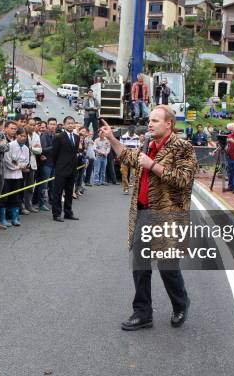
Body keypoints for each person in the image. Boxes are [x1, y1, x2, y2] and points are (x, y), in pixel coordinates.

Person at [99, 105, 197, 331]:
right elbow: (129, 157)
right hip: (143, 213)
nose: (149, 124)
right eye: (149, 120)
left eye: (155, 120)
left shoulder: (183, 147)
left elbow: (184, 179)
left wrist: (153, 165)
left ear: (168, 124)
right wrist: (113, 139)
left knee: (167, 266)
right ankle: (142, 312)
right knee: (140, 264)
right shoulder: (149, 144)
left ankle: (180, 304)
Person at [51, 116, 80, 222]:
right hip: (61, 169)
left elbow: (75, 153)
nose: (70, 125)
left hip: (72, 169)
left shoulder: (77, 137)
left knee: (69, 193)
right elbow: (54, 154)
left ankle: (68, 213)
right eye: (68, 123)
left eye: (72, 123)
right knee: (58, 193)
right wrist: (58, 166)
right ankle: (56, 214)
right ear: (64, 125)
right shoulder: (59, 137)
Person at [1, 128, 30, 227]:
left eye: (24, 136)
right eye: (21, 135)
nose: (23, 138)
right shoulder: (10, 145)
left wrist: (18, 164)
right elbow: (7, 161)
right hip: (7, 175)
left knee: (16, 197)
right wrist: (18, 166)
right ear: (16, 135)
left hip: (18, 176)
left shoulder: (26, 148)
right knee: (4, 197)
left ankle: (15, 218)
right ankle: (2, 219)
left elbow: (26, 162)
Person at [23, 117, 42, 213]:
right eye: (30, 125)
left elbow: (39, 150)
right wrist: (33, 148)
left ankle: (28, 205)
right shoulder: (22, 134)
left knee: (30, 186)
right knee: (21, 186)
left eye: (34, 125)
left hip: (33, 163)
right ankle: (21, 206)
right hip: (22, 164)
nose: (32, 127)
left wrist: (31, 148)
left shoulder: (36, 135)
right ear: (26, 124)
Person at [39, 118, 57, 212]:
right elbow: (43, 149)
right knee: (44, 185)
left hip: (54, 163)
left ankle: (52, 200)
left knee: (53, 184)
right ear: (48, 125)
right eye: (51, 124)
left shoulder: (55, 135)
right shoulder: (44, 135)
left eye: (54, 124)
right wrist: (55, 146)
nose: (53, 126)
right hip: (46, 163)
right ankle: (41, 203)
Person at [119, 126, 140, 194]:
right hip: (125, 157)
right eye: (131, 133)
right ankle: (126, 188)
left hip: (134, 157)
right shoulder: (123, 137)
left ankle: (135, 189)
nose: (132, 134)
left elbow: (138, 147)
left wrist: (135, 152)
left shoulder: (137, 137)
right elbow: (121, 146)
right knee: (124, 174)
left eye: (133, 133)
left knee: (135, 174)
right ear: (128, 131)